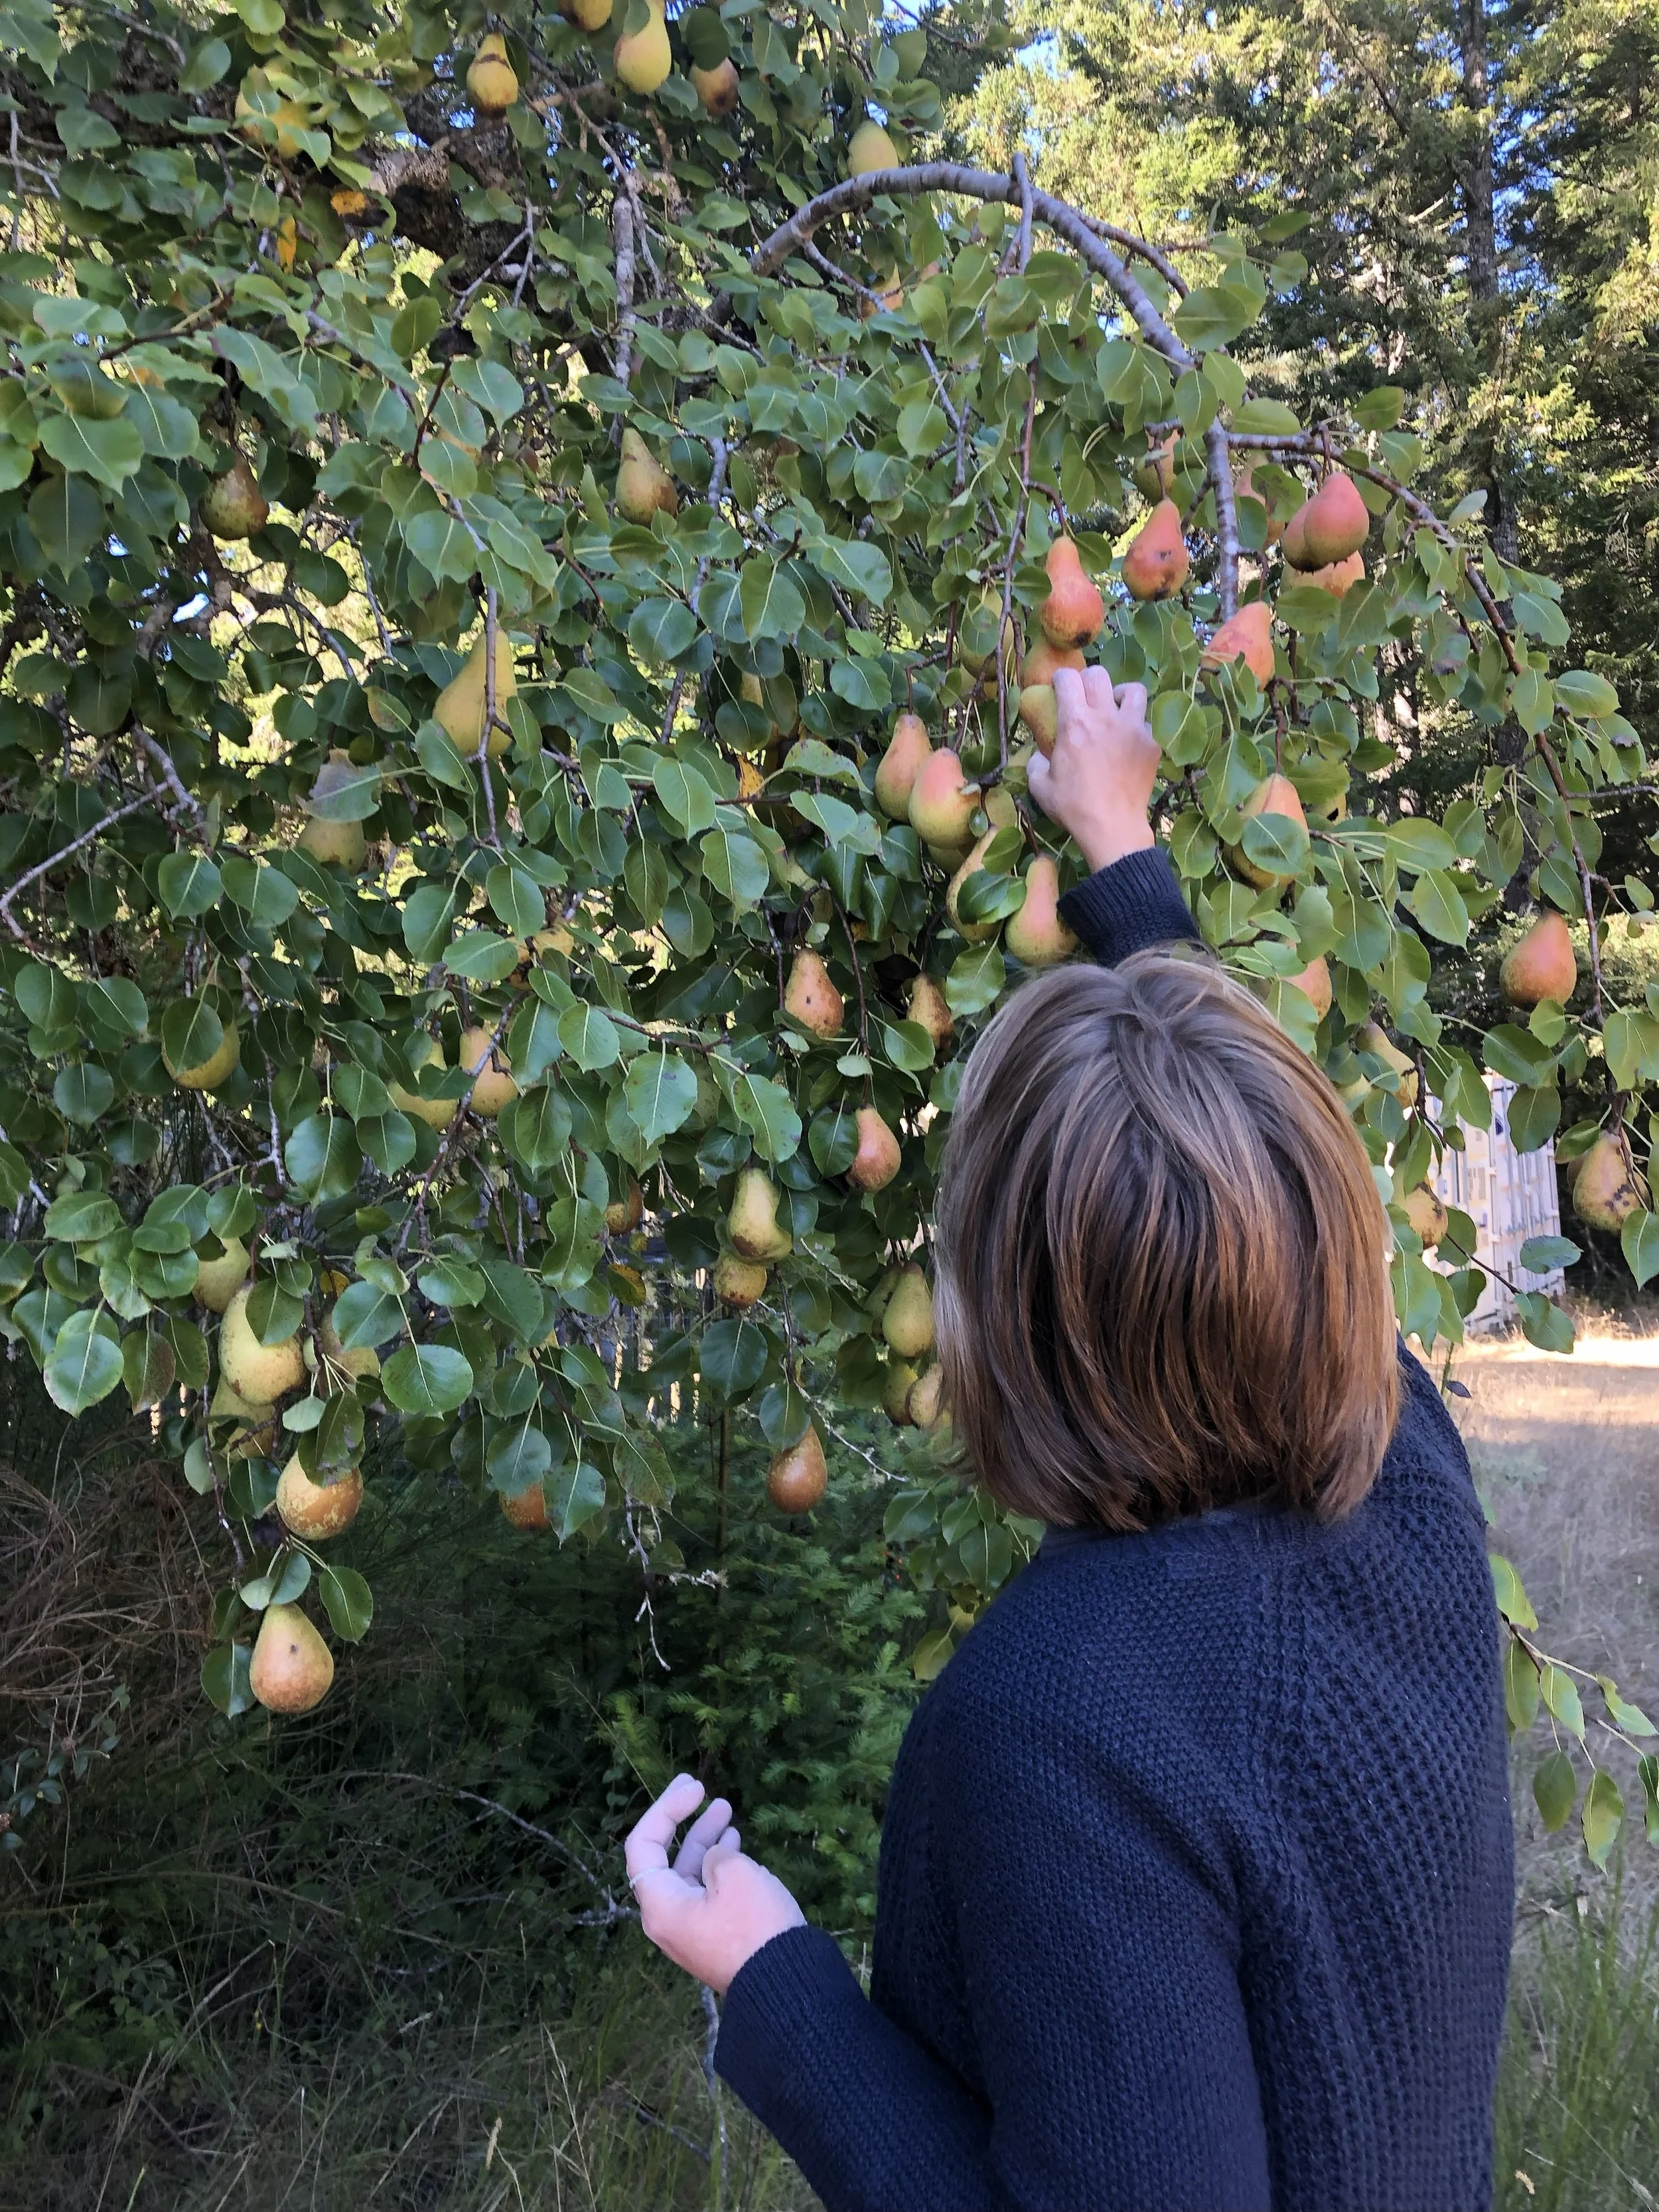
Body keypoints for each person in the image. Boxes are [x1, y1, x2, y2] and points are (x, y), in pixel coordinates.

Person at [626, 666, 1514, 2212]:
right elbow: (1235, 1177)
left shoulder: (1053, 1727)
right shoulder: (1409, 1472)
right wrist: (1124, 861)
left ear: (1005, 1317)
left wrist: (773, 1990)